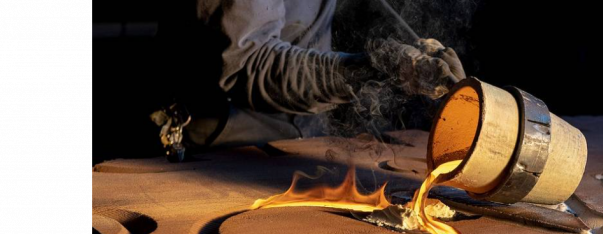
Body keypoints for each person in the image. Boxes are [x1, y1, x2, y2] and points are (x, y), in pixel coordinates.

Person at [156, 0, 466, 148]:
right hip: (228, 146)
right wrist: (377, 67)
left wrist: (423, 51)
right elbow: (249, 65)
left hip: (308, 138)